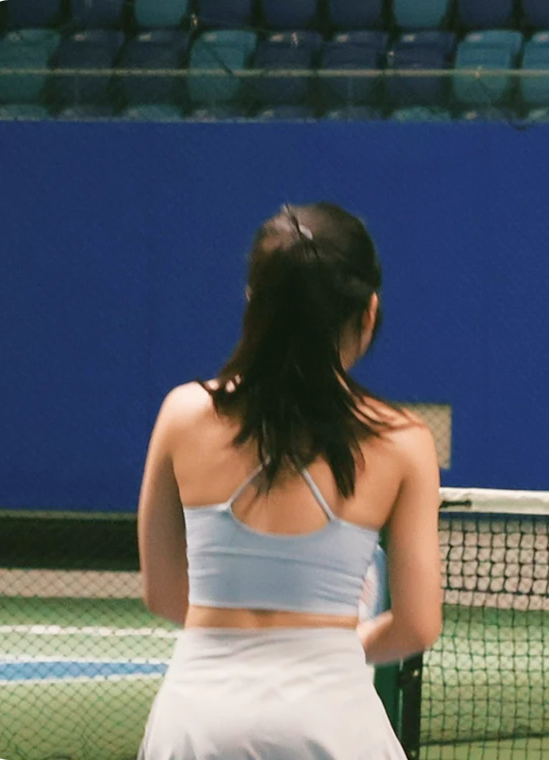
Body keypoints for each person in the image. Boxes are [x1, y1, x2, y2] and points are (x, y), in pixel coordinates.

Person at [136, 203, 444, 758]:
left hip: (196, 721)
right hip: (334, 722)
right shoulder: (405, 442)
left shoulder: (181, 414)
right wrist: (329, 645)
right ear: (368, 312)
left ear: (256, 303)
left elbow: (162, 592)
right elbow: (417, 626)